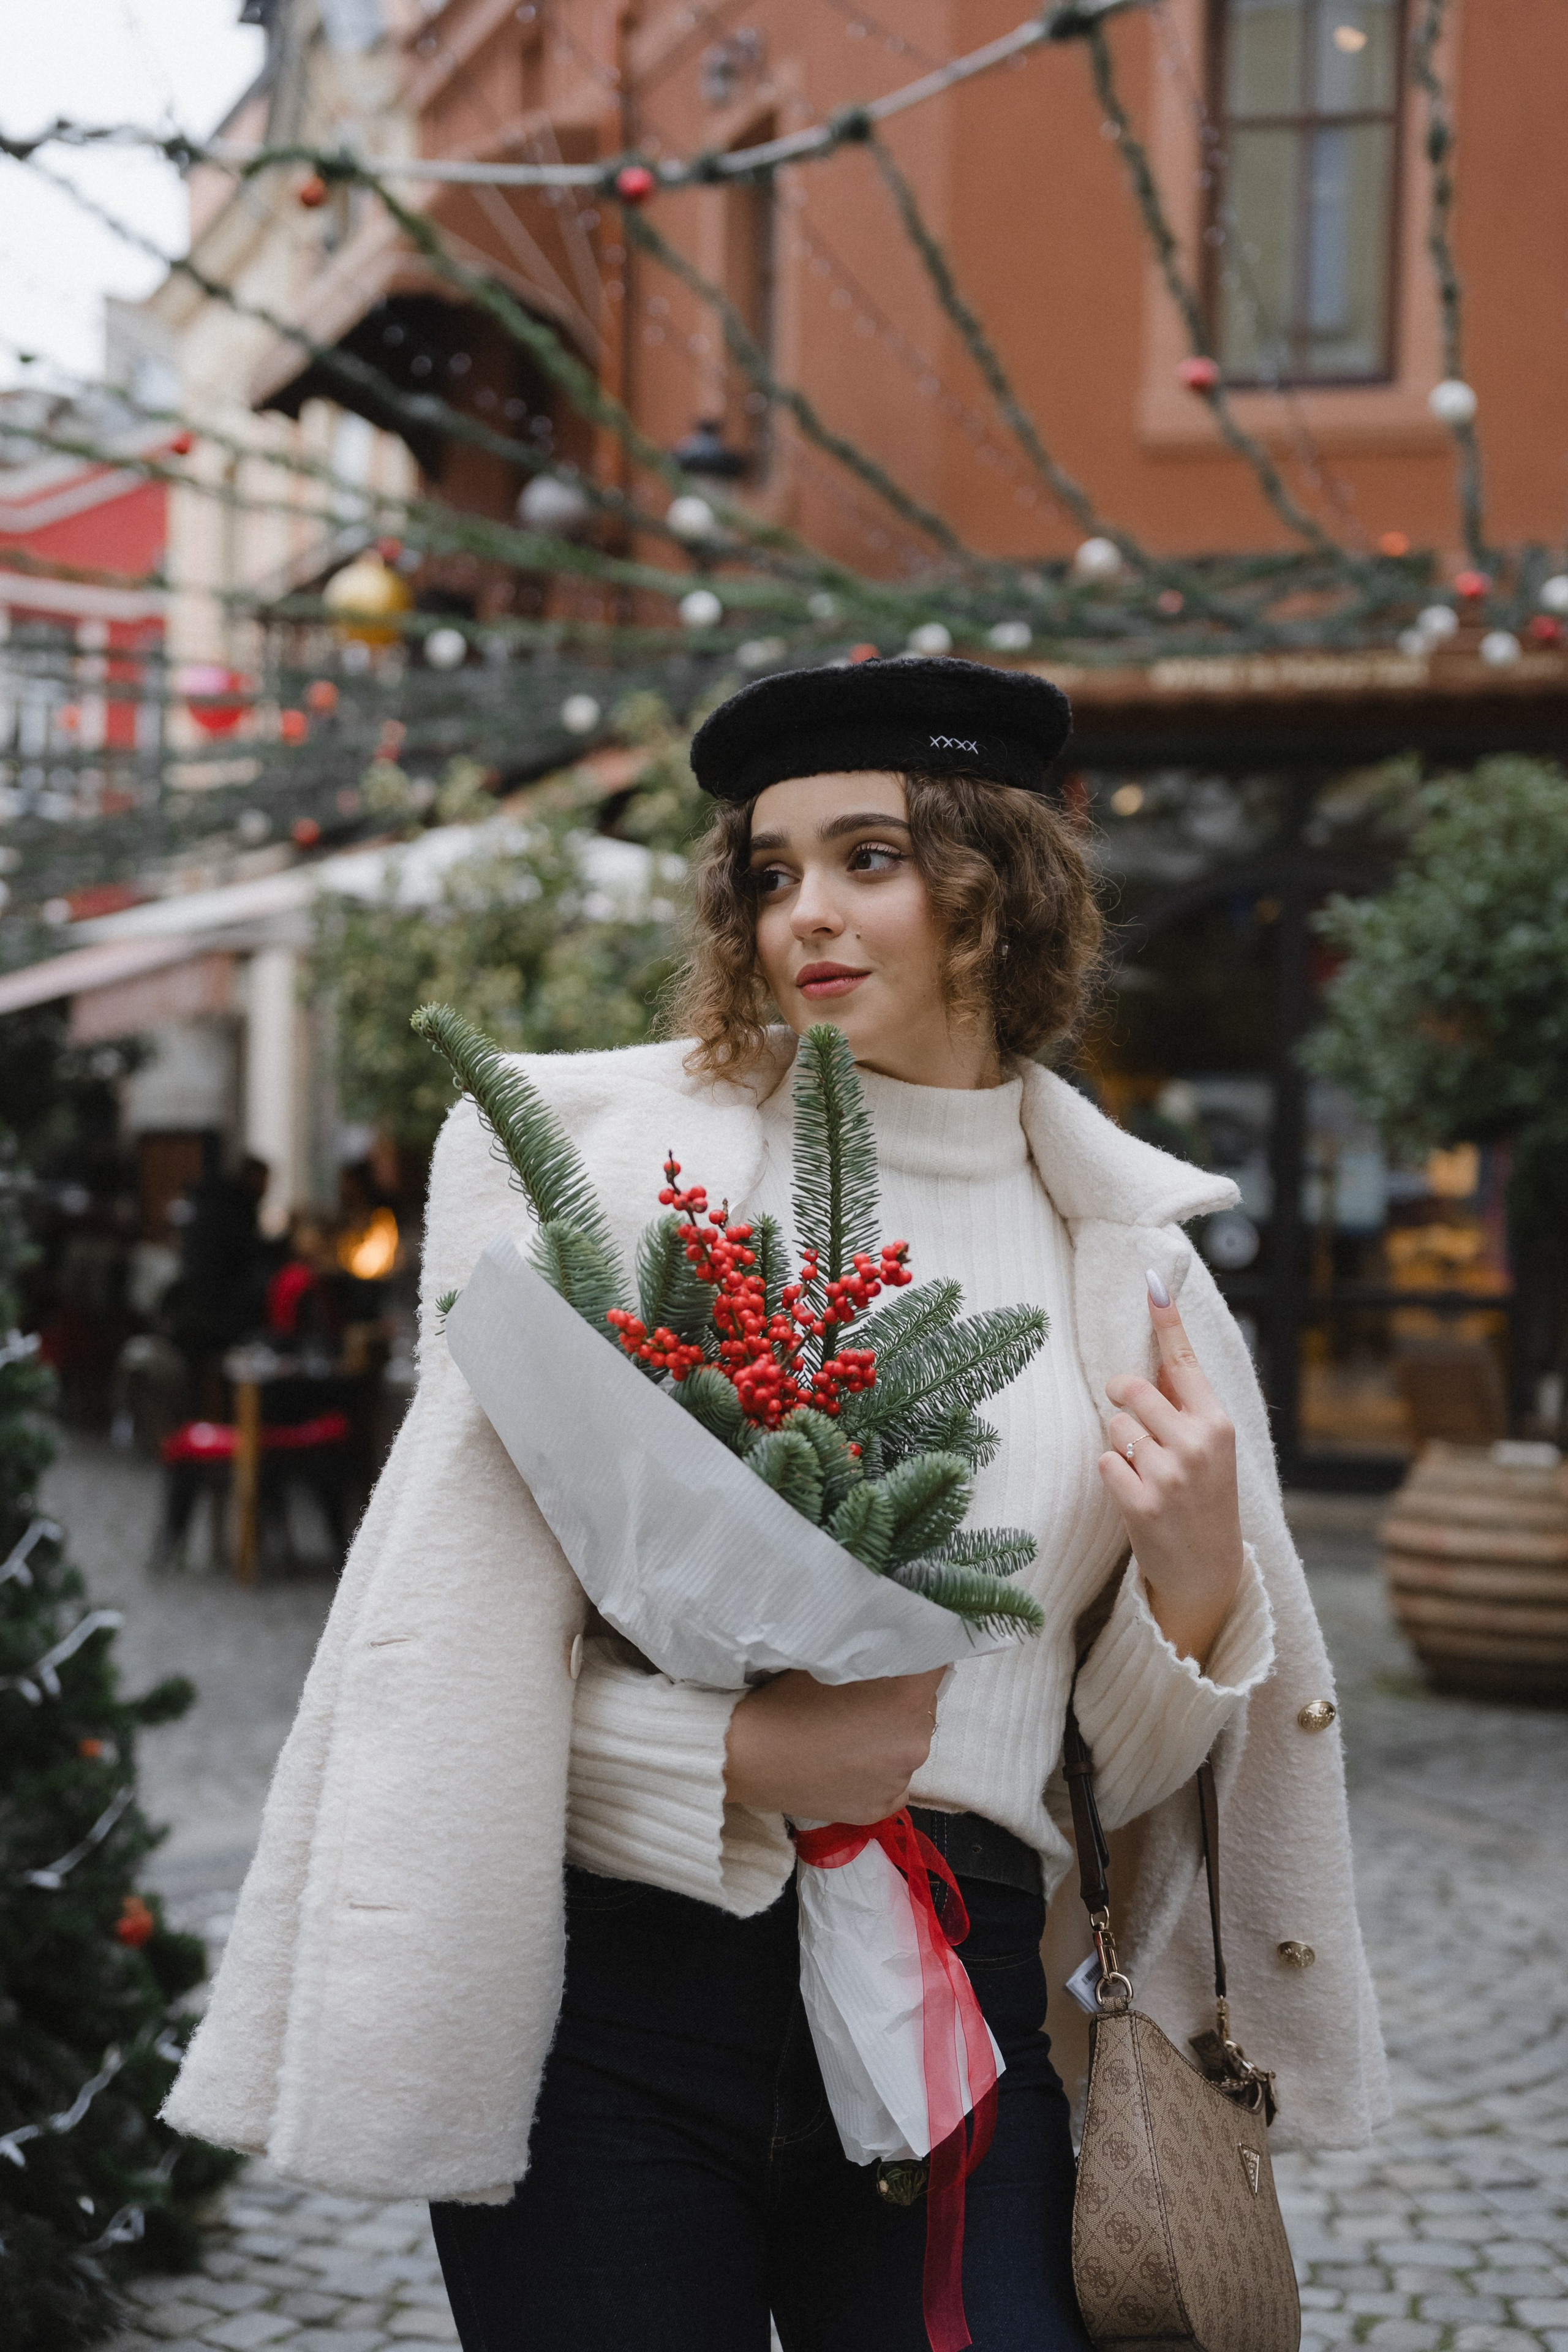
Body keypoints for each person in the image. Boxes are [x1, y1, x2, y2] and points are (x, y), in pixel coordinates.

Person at [165, 658, 1387, 2350]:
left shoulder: (1132, 1262)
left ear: (998, 888)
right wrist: (728, 1762)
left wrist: (1190, 1587)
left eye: (870, 857)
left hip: (965, 1998)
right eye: (770, 870)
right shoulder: (599, 1179)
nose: (806, 910)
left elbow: (1110, 1773)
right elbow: (433, 1678)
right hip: (622, 2012)